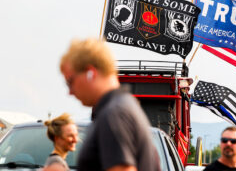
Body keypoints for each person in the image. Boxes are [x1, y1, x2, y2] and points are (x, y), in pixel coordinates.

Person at [59, 38, 160, 171]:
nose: (70, 92)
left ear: (91, 73)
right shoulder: (121, 107)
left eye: (70, 81)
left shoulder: (114, 115)